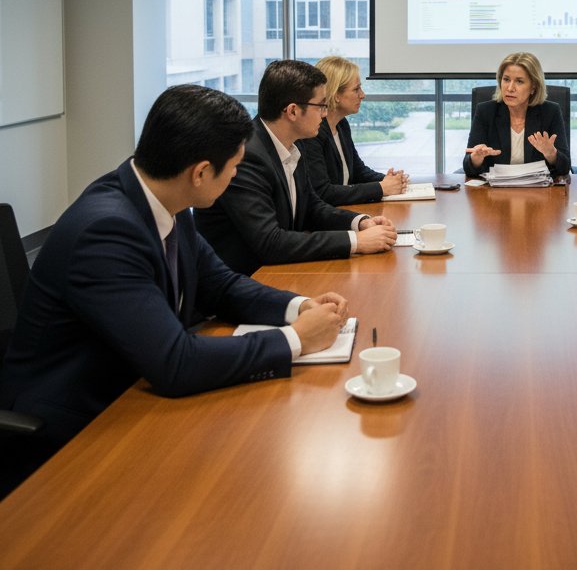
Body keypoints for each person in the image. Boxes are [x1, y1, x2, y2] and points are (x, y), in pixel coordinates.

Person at [0, 85, 350, 465]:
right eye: (234, 166)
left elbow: (221, 284)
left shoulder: (166, 195)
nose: (236, 175)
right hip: (76, 428)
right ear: (200, 172)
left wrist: (297, 307)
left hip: (135, 391)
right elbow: (176, 362)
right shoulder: (104, 232)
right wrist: (296, 339)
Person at [195, 60, 397, 275]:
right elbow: (270, 242)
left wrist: (360, 223)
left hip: (282, 272)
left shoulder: (293, 143)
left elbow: (312, 207)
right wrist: (355, 241)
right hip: (248, 282)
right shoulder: (248, 156)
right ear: (292, 111)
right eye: (320, 105)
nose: (324, 113)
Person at [298, 56, 410, 205]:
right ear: (336, 94)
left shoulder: (341, 124)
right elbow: (323, 192)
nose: (362, 95)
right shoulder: (313, 132)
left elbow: (358, 171)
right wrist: (381, 188)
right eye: (356, 89)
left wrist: (389, 180)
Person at [463, 51, 570, 178]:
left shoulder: (550, 112)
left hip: (537, 192)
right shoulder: (486, 111)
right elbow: (468, 167)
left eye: (519, 81)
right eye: (506, 79)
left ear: (533, 87)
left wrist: (551, 153)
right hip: (494, 192)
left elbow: (565, 168)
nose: (510, 88)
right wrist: (476, 158)